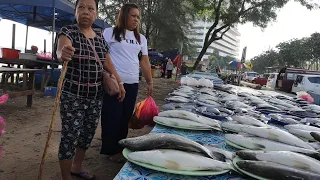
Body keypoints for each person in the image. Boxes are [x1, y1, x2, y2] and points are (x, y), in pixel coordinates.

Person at [55, 0, 125, 179]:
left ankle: (77, 166)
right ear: (75, 11)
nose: (85, 12)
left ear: (96, 13)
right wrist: (62, 53)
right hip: (73, 96)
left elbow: (107, 61)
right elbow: (61, 48)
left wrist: (119, 81)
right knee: (70, 136)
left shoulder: (100, 35)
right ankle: (66, 177)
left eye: (90, 8)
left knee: (87, 133)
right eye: (81, 8)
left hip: (95, 96)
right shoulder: (69, 31)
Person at [100, 3, 153, 161]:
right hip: (114, 83)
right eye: (133, 16)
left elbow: (144, 61)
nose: (136, 19)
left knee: (125, 117)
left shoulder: (140, 38)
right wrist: (108, 76)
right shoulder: (109, 33)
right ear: (124, 16)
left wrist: (149, 81)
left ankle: (120, 146)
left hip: (132, 84)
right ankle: (110, 150)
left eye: (138, 17)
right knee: (112, 116)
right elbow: (103, 56)